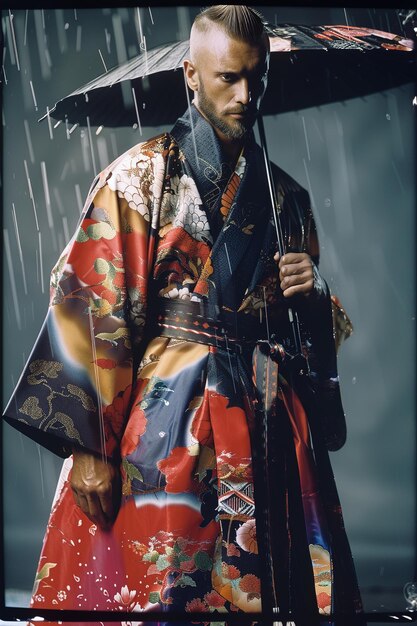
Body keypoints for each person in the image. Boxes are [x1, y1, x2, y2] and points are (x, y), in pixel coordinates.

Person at [3, 5, 363, 625]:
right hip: (165, 425)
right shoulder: (141, 176)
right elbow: (94, 301)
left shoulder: (287, 201)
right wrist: (88, 446)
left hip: (266, 420)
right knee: (156, 591)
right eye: (228, 77)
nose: (247, 95)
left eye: (257, 76)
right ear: (191, 76)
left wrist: (312, 294)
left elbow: (305, 335)